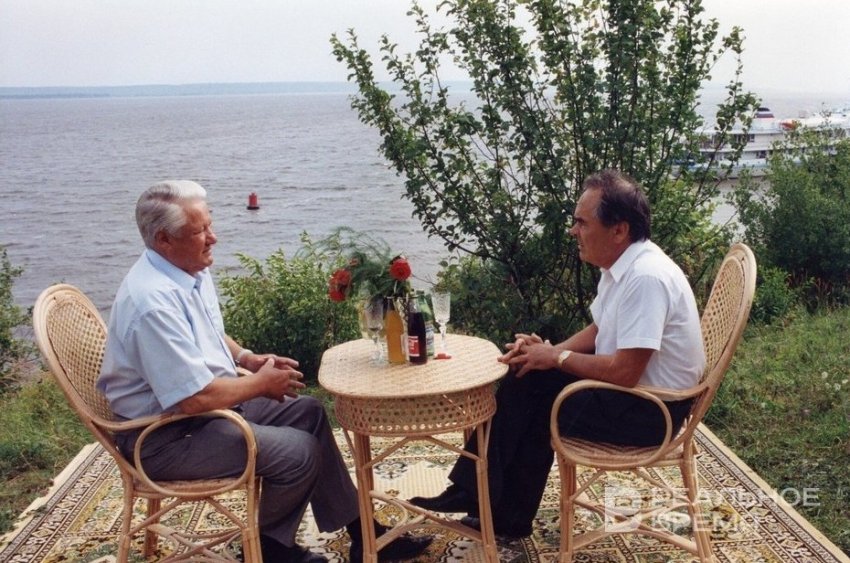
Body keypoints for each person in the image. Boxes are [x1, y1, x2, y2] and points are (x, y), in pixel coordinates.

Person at [98, 180, 431, 563]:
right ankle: (270, 551)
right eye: (200, 231)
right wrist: (259, 385)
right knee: (299, 453)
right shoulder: (152, 303)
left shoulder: (186, 269)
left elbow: (208, 332)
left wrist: (247, 359)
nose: (213, 238)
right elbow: (194, 399)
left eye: (210, 224)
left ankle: (365, 535)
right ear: (164, 239)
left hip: (199, 416)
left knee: (308, 412)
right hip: (165, 438)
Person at [410, 169, 706, 538]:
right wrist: (549, 352)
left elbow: (625, 372)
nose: (572, 231)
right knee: (529, 373)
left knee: (534, 394)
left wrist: (555, 359)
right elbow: (600, 329)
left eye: (582, 223)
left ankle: (482, 498)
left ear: (619, 230)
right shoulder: (623, 265)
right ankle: (492, 505)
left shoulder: (645, 278)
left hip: (651, 413)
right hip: (634, 398)